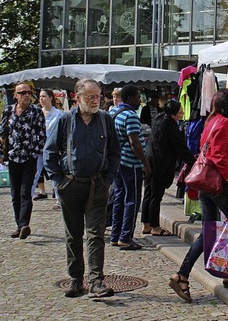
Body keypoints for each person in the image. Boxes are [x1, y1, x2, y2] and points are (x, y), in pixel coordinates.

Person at [43, 79, 121, 298]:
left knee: (96, 234)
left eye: (98, 96)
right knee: (73, 234)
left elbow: (115, 151)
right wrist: (59, 180)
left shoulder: (106, 120)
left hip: (97, 185)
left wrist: (109, 178)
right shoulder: (65, 120)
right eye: (90, 97)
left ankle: (96, 282)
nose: (96, 100)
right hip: (71, 185)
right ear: (77, 98)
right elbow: (49, 152)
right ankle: (76, 280)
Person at [169, 88, 228, 303]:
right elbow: (218, 155)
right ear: (226, 105)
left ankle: (182, 275)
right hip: (219, 184)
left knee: (207, 233)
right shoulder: (223, 123)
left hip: (206, 185)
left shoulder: (210, 121)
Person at [141, 101, 195, 236]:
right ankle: (155, 227)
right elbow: (180, 147)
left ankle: (146, 224)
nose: (182, 113)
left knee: (148, 193)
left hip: (150, 160)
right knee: (156, 196)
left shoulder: (160, 118)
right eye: (180, 111)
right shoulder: (170, 126)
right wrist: (194, 163)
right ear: (173, 114)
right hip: (160, 164)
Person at [0, 82, 46, 239]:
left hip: (29, 157)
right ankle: (19, 224)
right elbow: (3, 132)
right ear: (15, 95)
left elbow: (42, 134)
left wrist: (35, 151)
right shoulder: (9, 111)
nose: (26, 95)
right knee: (15, 193)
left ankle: (24, 224)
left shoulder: (36, 111)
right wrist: (2, 153)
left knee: (25, 192)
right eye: (23, 93)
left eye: (28, 92)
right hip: (13, 157)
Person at [110, 85, 151, 251]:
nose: (139, 101)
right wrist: (145, 163)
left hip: (118, 162)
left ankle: (115, 235)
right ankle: (126, 237)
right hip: (131, 163)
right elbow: (135, 143)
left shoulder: (113, 113)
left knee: (119, 198)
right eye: (137, 97)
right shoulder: (131, 116)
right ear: (128, 98)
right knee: (132, 200)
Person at [32, 89, 64, 203]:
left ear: (51, 98)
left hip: (53, 149)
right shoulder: (36, 113)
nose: (41, 99)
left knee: (55, 173)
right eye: (40, 97)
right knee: (35, 174)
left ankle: (60, 200)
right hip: (39, 148)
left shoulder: (59, 114)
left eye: (44, 96)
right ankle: (26, 200)